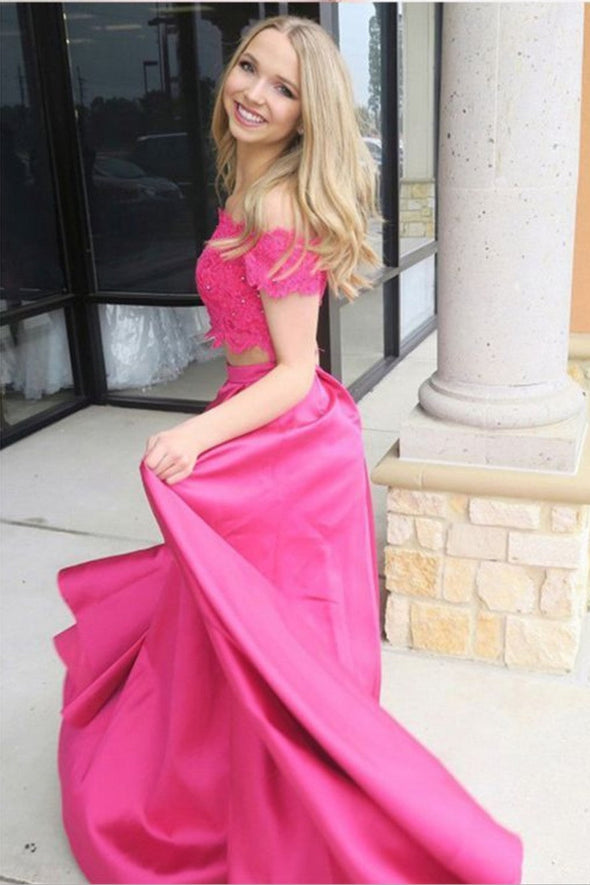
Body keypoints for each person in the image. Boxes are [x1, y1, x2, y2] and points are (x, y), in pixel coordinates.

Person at [54, 16, 523, 885]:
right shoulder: (250, 184)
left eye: (283, 88)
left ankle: (290, 815)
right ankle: (231, 786)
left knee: (272, 644)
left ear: (311, 114)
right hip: (264, 423)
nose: (253, 93)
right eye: (248, 68)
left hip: (284, 441)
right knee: (237, 631)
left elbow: (297, 368)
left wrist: (192, 432)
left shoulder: (276, 206)